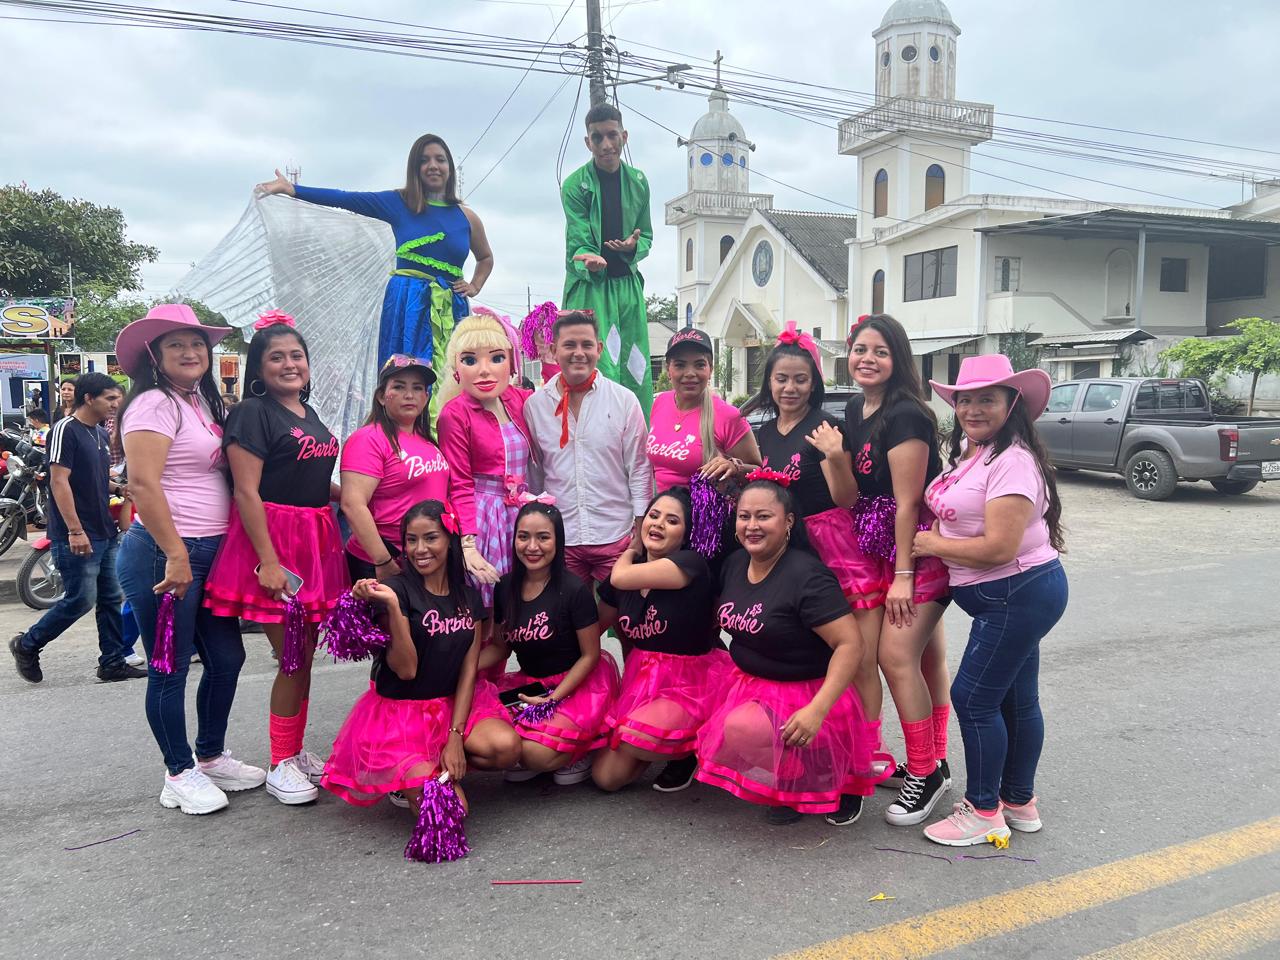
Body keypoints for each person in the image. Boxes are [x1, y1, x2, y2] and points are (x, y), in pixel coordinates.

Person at [113, 304, 265, 816]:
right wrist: (176, 554)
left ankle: (211, 756)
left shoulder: (199, 402)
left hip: (210, 552)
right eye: (176, 344)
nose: (190, 351)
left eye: (197, 343)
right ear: (153, 355)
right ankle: (178, 772)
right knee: (169, 667)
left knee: (226, 658)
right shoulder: (153, 404)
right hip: (166, 554)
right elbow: (142, 484)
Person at [912, 355, 1067, 846]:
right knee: (1017, 700)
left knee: (973, 699)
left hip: (1015, 593)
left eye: (987, 399)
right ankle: (1018, 801)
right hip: (1012, 594)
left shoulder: (1013, 462)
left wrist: (933, 544)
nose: (972, 409)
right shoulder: (977, 449)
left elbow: (998, 548)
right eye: (965, 400)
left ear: (1011, 403)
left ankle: (982, 810)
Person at [201, 313, 348, 806]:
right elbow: (246, 491)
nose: (289, 364)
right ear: (258, 368)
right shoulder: (252, 412)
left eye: (296, 356)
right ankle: (280, 763)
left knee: (303, 654)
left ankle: (295, 751)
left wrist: (355, 498)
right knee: (291, 656)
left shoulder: (308, 412)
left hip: (315, 540)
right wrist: (267, 560)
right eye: (276, 357)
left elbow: (311, 476)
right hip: (273, 543)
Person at [257, 134, 494, 421]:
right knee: (407, 372)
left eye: (440, 160)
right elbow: (346, 199)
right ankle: (405, 435)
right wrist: (293, 189)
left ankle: (453, 434)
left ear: (450, 167)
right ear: (415, 168)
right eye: (424, 160)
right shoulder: (399, 203)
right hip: (408, 303)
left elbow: (485, 258)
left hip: (451, 307)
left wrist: (475, 285)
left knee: (454, 373)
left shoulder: (467, 217)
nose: (433, 166)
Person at [829, 314, 954, 827]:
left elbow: (907, 503)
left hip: (915, 551)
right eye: (860, 349)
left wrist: (904, 575)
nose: (867, 359)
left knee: (896, 656)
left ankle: (925, 772)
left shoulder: (907, 414)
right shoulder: (856, 407)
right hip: (878, 546)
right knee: (928, 657)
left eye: (880, 351)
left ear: (897, 358)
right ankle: (937, 757)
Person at [322, 500, 521, 820]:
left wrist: (455, 737)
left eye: (430, 538)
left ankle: (438, 766)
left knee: (506, 747)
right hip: (403, 717)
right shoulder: (394, 591)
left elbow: (468, 671)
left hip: (451, 706)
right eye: (411, 540)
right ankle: (409, 776)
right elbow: (406, 669)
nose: (420, 549)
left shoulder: (468, 597)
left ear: (449, 540)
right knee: (451, 813)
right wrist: (394, 609)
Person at [695, 477, 872, 825]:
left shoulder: (808, 577)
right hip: (751, 685)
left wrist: (816, 710)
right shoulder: (735, 564)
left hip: (808, 693)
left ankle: (835, 769)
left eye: (764, 516)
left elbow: (851, 645)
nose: (752, 526)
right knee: (724, 723)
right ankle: (798, 774)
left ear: (788, 521)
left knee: (741, 728)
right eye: (744, 516)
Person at [592, 487, 728, 793]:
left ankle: (690, 748)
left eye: (672, 520)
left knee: (632, 736)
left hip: (689, 683)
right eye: (653, 516)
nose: (659, 524)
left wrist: (631, 549)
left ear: (686, 534)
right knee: (606, 777)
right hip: (643, 681)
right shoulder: (626, 574)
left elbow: (621, 577)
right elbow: (596, 627)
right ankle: (663, 742)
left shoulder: (690, 564)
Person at [8, 373, 142, 684]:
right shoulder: (65, 429)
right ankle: (27, 644)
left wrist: (118, 489)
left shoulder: (98, 433)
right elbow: (59, 480)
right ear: (89, 398)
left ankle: (112, 662)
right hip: (77, 532)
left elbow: (94, 477)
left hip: (104, 529)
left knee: (111, 598)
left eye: (117, 398)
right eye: (110, 398)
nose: (116, 404)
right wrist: (75, 530)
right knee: (80, 599)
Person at [480, 502, 620, 785]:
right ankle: (550, 745)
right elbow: (500, 647)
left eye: (543, 537)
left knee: (534, 755)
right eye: (523, 537)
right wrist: (461, 666)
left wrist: (552, 700)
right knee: (501, 740)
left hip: (577, 685)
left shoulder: (574, 590)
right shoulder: (505, 587)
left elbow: (590, 656)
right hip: (530, 683)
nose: (532, 547)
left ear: (558, 541)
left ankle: (584, 748)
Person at [524, 310, 652, 585]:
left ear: (599, 349)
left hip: (616, 535)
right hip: (561, 537)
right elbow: (535, 472)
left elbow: (640, 468)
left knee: (621, 611)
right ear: (554, 350)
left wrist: (640, 530)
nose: (579, 353)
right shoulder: (535, 406)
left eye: (587, 345)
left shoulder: (624, 401)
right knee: (567, 613)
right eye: (569, 345)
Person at [435, 313, 532, 613]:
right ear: (456, 369)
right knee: (487, 611)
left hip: (523, 515)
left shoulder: (519, 400)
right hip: (484, 520)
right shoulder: (453, 414)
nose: (484, 370)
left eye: (496, 358)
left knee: (525, 605)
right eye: (470, 360)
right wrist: (468, 545)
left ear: (512, 363)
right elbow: (460, 484)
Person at [561, 104, 654, 410]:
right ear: (587, 142)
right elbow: (578, 240)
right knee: (596, 365)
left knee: (635, 365)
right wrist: (589, 258)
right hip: (592, 289)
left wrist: (632, 248)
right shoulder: (574, 185)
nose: (606, 144)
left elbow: (646, 235)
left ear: (624, 137)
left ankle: (638, 437)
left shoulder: (638, 182)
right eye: (597, 137)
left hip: (627, 288)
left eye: (612, 135)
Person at [340, 354, 448, 582]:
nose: (409, 395)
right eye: (399, 387)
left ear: (426, 397)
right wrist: (383, 561)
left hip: (424, 557)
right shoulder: (368, 439)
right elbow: (352, 504)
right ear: (381, 396)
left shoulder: (427, 439)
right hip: (381, 560)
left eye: (417, 388)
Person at [647, 328, 760, 493]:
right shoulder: (660, 402)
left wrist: (734, 467)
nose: (690, 373)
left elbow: (759, 472)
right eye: (680, 365)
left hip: (704, 509)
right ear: (668, 369)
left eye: (699, 365)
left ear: (710, 369)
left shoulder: (727, 416)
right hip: (662, 507)